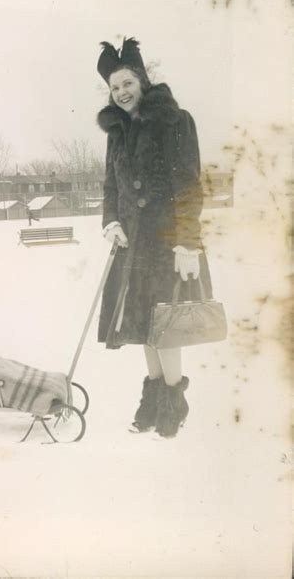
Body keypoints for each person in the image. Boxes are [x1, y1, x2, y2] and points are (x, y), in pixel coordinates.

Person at [96, 37, 212, 438]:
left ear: (142, 81)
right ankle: (153, 398)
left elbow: (189, 185)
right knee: (144, 324)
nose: (122, 92)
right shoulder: (116, 132)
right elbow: (110, 185)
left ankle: (173, 401)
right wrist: (111, 221)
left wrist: (188, 242)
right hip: (133, 244)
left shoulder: (175, 120)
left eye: (127, 83)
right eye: (114, 87)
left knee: (167, 324)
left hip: (167, 240)